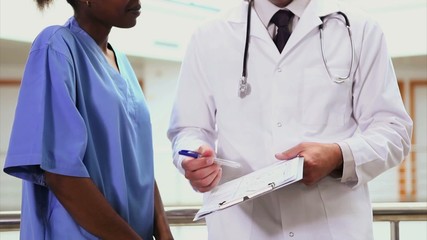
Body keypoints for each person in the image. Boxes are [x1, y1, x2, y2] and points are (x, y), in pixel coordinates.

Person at [167, 0, 413, 239]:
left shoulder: (360, 29)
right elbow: (188, 129)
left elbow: (394, 130)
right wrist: (193, 158)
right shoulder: (209, 35)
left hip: (331, 227)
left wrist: (339, 155)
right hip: (242, 227)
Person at [3, 0, 173, 239]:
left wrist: (164, 231)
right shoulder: (56, 45)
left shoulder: (121, 61)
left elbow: (139, 163)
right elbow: (61, 175)